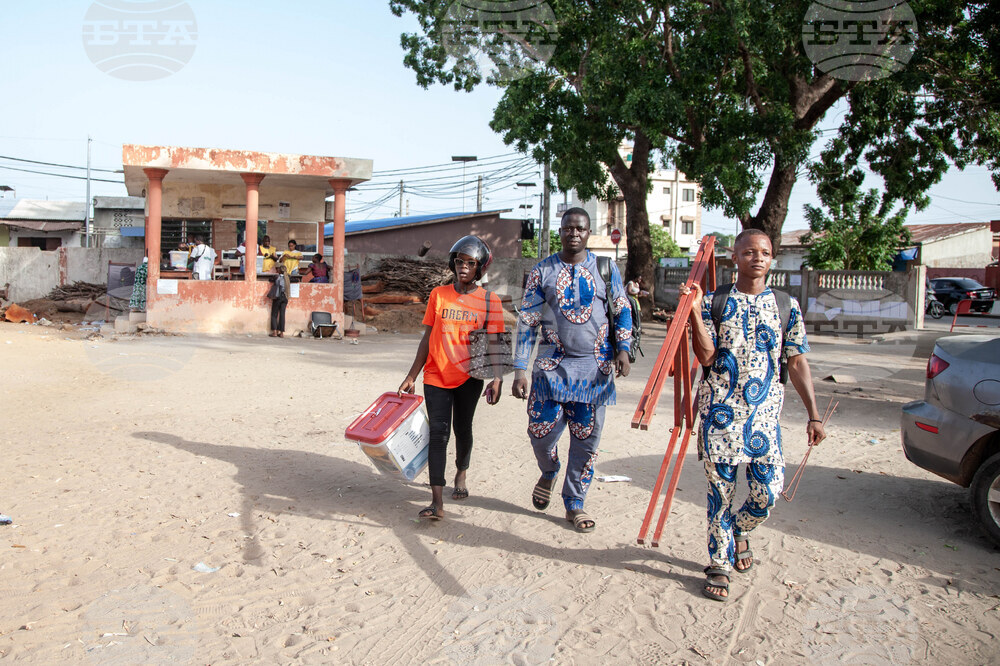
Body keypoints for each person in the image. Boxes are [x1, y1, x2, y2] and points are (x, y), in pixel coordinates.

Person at [680, 228, 825, 602]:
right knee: (720, 494)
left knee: (768, 492)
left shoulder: (786, 305)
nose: (757, 257)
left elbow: (797, 362)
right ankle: (718, 563)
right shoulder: (715, 301)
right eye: (749, 252)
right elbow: (707, 356)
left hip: (763, 420)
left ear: (771, 258)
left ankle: (739, 530)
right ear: (735, 258)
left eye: (764, 252)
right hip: (719, 416)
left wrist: (814, 415)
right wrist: (696, 312)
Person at [512, 207, 632, 533]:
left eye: (580, 229)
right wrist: (520, 369)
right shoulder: (542, 272)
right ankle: (549, 470)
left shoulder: (606, 269)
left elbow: (622, 310)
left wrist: (623, 349)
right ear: (560, 231)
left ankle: (575, 503)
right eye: (568, 228)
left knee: (586, 443)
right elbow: (528, 322)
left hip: (595, 372)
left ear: (588, 232)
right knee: (540, 434)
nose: (573, 234)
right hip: (551, 370)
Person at [398, 235, 504, 520]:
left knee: (463, 428)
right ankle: (437, 501)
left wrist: (497, 379)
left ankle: (461, 472)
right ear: (453, 264)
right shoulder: (439, 295)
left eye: (471, 263)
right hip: (436, 374)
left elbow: (495, 342)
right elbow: (428, 336)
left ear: (480, 267)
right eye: (459, 261)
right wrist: (412, 375)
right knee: (438, 435)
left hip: (470, 377)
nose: (464, 267)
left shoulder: (490, 301)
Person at [268, 264, 290, 337]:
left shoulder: (277, 277)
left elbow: (270, 279)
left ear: (280, 270)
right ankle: (281, 333)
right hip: (285, 297)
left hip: (278, 297)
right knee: (282, 315)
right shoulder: (288, 277)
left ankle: (274, 332)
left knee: (274, 314)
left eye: (278, 269)